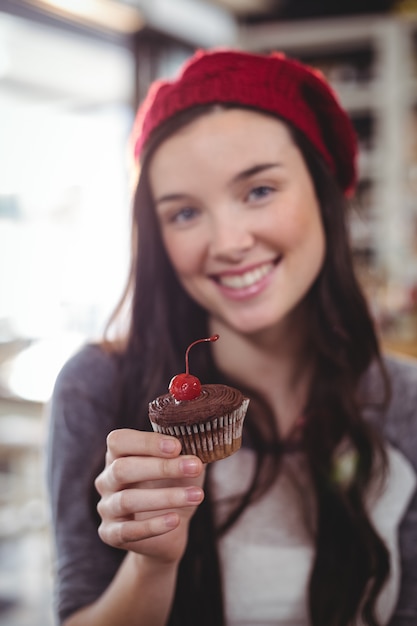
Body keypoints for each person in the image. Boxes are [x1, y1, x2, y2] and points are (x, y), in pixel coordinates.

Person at [47, 49, 417, 626]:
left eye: (259, 191)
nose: (227, 242)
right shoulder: (98, 388)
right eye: (185, 213)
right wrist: (153, 563)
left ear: (323, 193)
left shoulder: (405, 402)